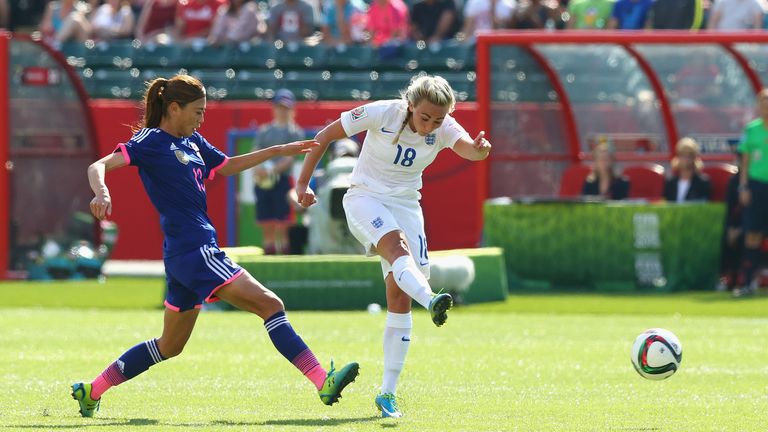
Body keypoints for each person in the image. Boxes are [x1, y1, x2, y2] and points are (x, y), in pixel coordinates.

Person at [71, 74, 359, 418]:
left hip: (183, 255)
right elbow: (98, 165)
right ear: (174, 108)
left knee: (170, 345)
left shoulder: (193, 141)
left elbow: (227, 166)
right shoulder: (150, 140)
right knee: (270, 304)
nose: (201, 118)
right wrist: (102, 192)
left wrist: (278, 151)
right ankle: (321, 380)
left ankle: (92, 390)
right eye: (197, 111)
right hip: (196, 250)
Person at [295, 75, 492, 418]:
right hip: (364, 198)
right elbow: (325, 136)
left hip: (406, 205)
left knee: (399, 296)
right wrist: (303, 183)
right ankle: (431, 299)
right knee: (398, 251)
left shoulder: (445, 126)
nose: (431, 124)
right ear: (411, 106)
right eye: (425, 117)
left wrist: (479, 150)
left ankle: (387, 394)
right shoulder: (383, 113)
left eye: (438, 119)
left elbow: (468, 149)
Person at [253, 89, 305, 255]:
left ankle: (284, 256)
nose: (282, 111)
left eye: (286, 108)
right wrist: (259, 169)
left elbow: (290, 158)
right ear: (274, 108)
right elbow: (256, 152)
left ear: (292, 109)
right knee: (267, 223)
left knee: (283, 224)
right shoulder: (264, 131)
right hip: (263, 182)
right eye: (280, 107)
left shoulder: (295, 131)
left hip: (282, 181)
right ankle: (268, 255)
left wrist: (272, 170)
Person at [734, 89, 768, 296]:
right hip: (756, 186)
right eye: (763, 103)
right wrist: (743, 186)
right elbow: (744, 161)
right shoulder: (752, 129)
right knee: (752, 234)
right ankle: (747, 282)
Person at [663, 137, 711, 203]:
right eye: (682, 155)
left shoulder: (703, 183)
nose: (685, 159)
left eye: (689, 155)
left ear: (694, 158)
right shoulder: (670, 183)